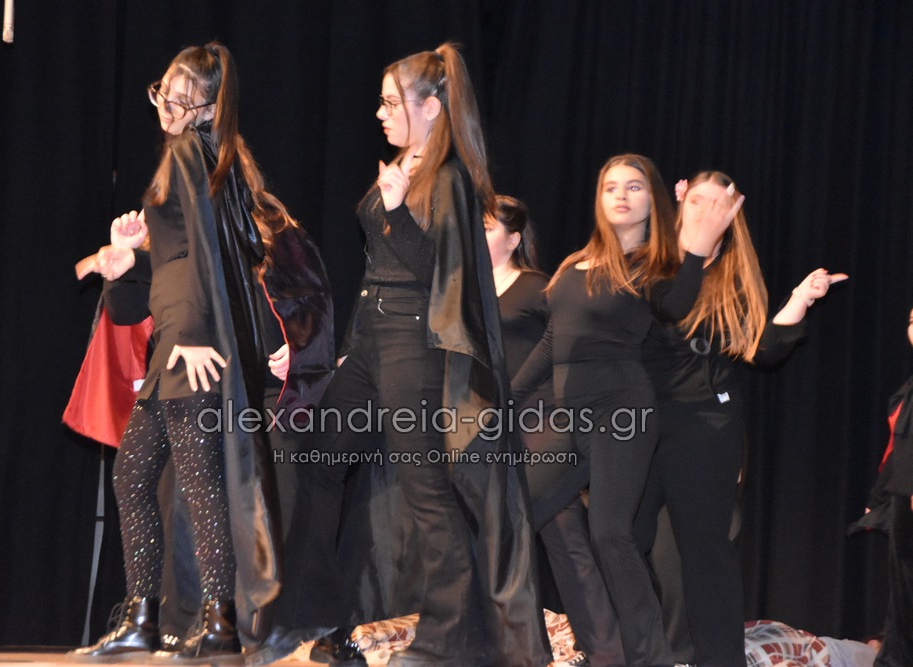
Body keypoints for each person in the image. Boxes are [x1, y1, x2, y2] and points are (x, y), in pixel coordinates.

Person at [275, 44, 550, 667]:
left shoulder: (449, 176)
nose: (379, 113)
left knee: (426, 491)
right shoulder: (407, 164)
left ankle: (448, 639)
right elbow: (377, 267)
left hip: (414, 345)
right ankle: (314, 614)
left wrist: (398, 212)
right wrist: (349, 351)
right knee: (318, 459)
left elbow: (445, 274)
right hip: (373, 340)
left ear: (430, 107)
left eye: (389, 102)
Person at [69, 42, 335, 662]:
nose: (166, 104)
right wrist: (127, 260)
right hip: (178, 346)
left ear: (211, 106)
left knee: (199, 485)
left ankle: (217, 620)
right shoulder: (206, 158)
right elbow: (161, 280)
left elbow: (201, 261)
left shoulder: (192, 153)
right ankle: (146, 616)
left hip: (192, 347)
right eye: (162, 90)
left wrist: (189, 334)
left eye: (181, 96)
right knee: (135, 474)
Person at [512, 154, 735, 666]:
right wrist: (505, 399)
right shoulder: (574, 263)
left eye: (634, 187)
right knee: (515, 513)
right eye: (611, 186)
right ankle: (518, 643)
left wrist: (697, 248)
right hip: (569, 414)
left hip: (621, 412)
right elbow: (552, 339)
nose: (620, 195)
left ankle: (650, 658)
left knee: (611, 535)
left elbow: (676, 305)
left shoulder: (653, 266)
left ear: (651, 200)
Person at [634, 171, 846, 667]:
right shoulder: (647, 264)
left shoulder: (731, 277)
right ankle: (626, 646)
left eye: (719, 206)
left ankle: (712, 658)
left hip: (704, 426)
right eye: (699, 200)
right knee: (621, 538)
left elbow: (763, 348)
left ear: (732, 217)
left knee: (700, 553)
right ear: (680, 197)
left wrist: (800, 299)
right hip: (638, 423)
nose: (708, 212)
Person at [485, 195, 624, 667]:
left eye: (487, 228)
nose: (476, 235)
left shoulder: (535, 287)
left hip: (544, 419)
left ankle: (547, 648)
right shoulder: (470, 291)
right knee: (562, 535)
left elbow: (567, 341)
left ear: (513, 240)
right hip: (495, 423)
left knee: (519, 528)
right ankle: (602, 650)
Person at [867, 308, 913, 667]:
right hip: (903, 497)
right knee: (903, 594)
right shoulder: (909, 390)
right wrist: (878, 497)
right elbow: (898, 447)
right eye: (912, 321)